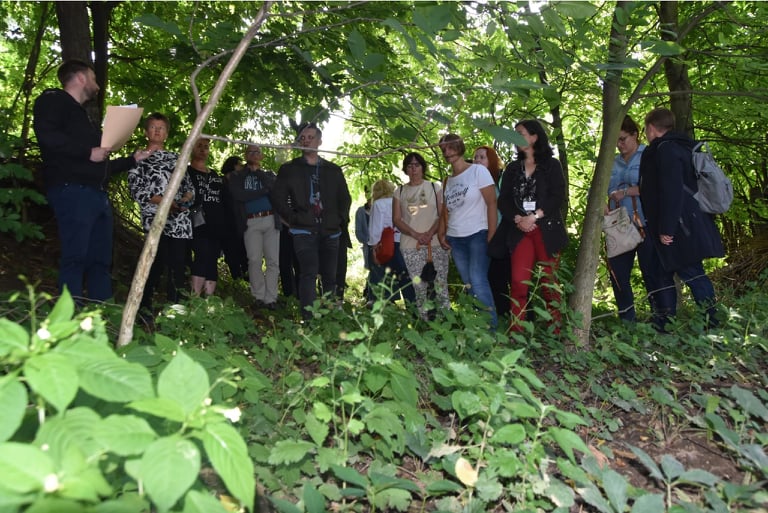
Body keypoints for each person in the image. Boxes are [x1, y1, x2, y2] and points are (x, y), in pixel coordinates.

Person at [33, 59, 150, 302]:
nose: (97, 84)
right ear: (81, 78)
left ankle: (102, 315)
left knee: (100, 262)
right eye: (94, 78)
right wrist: (87, 152)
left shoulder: (84, 118)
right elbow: (47, 137)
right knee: (75, 257)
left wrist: (132, 160)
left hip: (98, 195)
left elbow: (99, 164)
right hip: (72, 190)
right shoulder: (53, 100)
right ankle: (69, 317)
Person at [638, 107, 724, 330]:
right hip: (681, 223)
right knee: (662, 272)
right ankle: (665, 322)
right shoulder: (678, 146)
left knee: (692, 273)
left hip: (679, 227)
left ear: (651, 128)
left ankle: (712, 322)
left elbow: (672, 191)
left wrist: (667, 228)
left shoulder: (666, 149)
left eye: (646, 129)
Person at [271, 124, 351, 319]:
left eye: (310, 137)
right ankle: (309, 320)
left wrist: (338, 220)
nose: (306, 140)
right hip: (303, 231)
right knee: (308, 273)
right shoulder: (289, 169)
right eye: (303, 138)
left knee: (330, 277)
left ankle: (329, 319)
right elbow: (277, 198)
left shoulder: (333, 170)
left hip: (330, 231)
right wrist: (293, 219)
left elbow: (345, 199)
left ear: (319, 141)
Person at [496, 120, 568, 333]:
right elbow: (503, 200)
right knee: (519, 282)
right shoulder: (512, 168)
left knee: (549, 282)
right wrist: (518, 219)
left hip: (546, 231)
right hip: (520, 232)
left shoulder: (551, 165)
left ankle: (555, 330)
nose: (515, 137)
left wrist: (535, 216)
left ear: (535, 137)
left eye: (520, 133)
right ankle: (517, 330)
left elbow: (557, 196)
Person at [127, 113, 195, 315]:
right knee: (152, 264)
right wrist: (165, 202)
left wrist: (185, 199)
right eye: (153, 127)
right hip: (155, 220)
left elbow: (189, 187)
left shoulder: (177, 158)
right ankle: (143, 310)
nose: (157, 131)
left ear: (166, 133)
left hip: (179, 222)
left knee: (178, 267)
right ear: (146, 132)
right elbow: (136, 190)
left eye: (161, 128)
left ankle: (176, 312)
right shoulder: (138, 158)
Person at [437, 134, 498, 329]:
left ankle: (492, 331)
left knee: (478, 279)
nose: (447, 152)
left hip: (478, 234)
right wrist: (441, 233)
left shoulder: (478, 171)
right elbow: (446, 211)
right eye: (443, 149)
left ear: (460, 148)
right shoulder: (447, 181)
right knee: (469, 283)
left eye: (451, 147)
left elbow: (492, 203)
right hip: (455, 238)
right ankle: (479, 327)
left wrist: (492, 234)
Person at [606, 115, 654, 322]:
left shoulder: (648, 156)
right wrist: (603, 205)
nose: (620, 144)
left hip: (645, 223)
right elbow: (601, 189)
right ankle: (627, 320)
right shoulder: (611, 162)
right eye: (616, 141)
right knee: (617, 274)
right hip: (619, 226)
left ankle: (659, 318)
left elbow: (655, 186)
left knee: (651, 272)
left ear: (635, 135)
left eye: (623, 139)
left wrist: (626, 192)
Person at [393, 152, 450, 319]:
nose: (413, 169)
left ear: (423, 167)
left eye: (417, 165)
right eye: (410, 165)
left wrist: (430, 233)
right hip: (411, 245)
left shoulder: (434, 187)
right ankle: (424, 322)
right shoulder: (399, 191)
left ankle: (446, 320)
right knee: (420, 287)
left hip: (436, 242)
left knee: (440, 284)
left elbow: (442, 214)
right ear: (405, 169)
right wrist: (416, 235)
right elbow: (396, 219)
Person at [229, 145, 280, 309]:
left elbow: (274, 190)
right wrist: (262, 191)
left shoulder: (269, 174)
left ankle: (271, 298)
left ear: (262, 156)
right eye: (250, 152)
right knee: (254, 260)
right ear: (245, 156)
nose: (254, 154)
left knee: (273, 260)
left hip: (270, 219)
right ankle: (258, 296)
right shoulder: (238, 176)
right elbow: (239, 195)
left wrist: (258, 173)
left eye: (257, 152)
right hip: (250, 221)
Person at [474, 144, 510, 319]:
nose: (478, 160)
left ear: (492, 160)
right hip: (482, 234)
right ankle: (501, 316)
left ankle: (525, 318)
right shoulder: (472, 182)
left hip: (504, 234)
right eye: (476, 157)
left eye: (482, 157)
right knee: (492, 278)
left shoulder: (502, 178)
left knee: (512, 276)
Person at [188, 138, 228, 296]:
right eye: (199, 146)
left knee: (212, 259)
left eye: (206, 147)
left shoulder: (215, 175)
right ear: (192, 148)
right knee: (201, 256)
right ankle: (195, 297)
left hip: (216, 225)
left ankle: (209, 301)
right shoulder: (186, 172)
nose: (203, 149)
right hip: (198, 223)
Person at [367, 179, 415, 305]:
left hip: (387, 246)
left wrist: (374, 248)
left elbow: (376, 229)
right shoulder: (399, 202)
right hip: (404, 241)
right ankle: (412, 306)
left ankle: (385, 305)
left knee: (383, 277)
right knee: (405, 277)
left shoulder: (378, 204)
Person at [220, 155, 249, 281]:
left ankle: (246, 280)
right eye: (239, 164)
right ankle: (236, 280)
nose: (241, 167)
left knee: (245, 255)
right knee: (232, 255)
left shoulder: (239, 184)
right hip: (227, 226)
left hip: (241, 225)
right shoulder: (221, 184)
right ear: (233, 166)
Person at [354, 193, 371, 299]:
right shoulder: (361, 211)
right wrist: (368, 241)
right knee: (372, 270)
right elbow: (358, 232)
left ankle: (370, 293)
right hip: (368, 247)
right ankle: (369, 294)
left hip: (383, 247)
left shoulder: (380, 208)